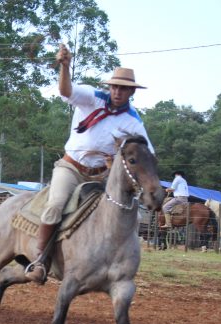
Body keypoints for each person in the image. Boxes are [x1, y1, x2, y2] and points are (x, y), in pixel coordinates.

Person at [25, 44, 154, 283]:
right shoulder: (91, 97)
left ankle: (110, 263)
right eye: (115, 86)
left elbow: (147, 153)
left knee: (125, 213)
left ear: (131, 93)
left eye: (124, 89)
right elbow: (66, 91)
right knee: (55, 205)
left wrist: (119, 163)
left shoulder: (133, 121)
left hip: (102, 176)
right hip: (72, 167)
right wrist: (65, 67)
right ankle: (39, 261)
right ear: (110, 87)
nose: (118, 91)